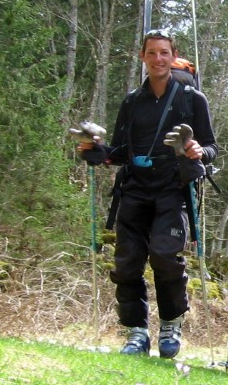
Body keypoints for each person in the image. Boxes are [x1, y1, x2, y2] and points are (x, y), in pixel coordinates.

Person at [77, 29, 218, 359]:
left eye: (164, 52)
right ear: (143, 57)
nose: (158, 59)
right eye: (151, 53)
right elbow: (122, 150)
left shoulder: (192, 99)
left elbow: (212, 148)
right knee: (127, 263)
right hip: (135, 191)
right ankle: (136, 332)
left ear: (173, 56)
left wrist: (198, 151)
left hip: (173, 189)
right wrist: (97, 152)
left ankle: (170, 323)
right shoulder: (131, 102)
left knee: (165, 255)